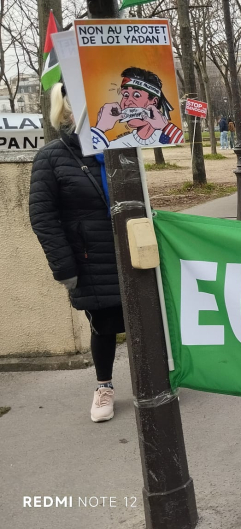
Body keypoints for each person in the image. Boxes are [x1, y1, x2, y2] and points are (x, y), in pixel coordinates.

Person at [29, 83, 124, 423]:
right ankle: (104, 387)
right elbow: (43, 217)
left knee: (149, 318)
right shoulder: (51, 157)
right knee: (105, 326)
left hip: (132, 251)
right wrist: (64, 268)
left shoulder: (121, 147)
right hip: (90, 260)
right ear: (68, 113)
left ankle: (156, 375)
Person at [90, 67, 184, 150]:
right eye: (125, 95)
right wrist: (100, 128)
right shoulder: (118, 144)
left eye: (136, 95)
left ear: (154, 102)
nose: (127, 102)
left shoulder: (168, 139)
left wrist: (165, 127)